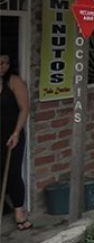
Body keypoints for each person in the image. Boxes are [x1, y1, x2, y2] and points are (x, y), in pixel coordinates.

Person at [1, 54, 32, 231]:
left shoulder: (14, 82)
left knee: (13, 173)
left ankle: (19, 212)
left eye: (6, 62)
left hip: (12, 135)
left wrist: (16, 132)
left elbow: (24, 108)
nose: (3, 66)